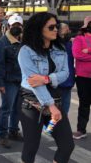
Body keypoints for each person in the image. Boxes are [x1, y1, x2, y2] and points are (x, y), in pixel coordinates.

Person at [18, 12, 74, 163]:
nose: (56, 29)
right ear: (39, 29)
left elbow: (65, 74)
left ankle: (48, 125)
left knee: (67, 145)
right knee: (31, 147)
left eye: (56, 26)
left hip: (55, 101)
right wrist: (51, 105)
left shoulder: (60, 48)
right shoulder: (26, 51)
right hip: (31, 104)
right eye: (51, 27)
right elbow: (33, 83)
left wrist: (46, 78)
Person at [0, 14, 24, 148]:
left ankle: (13, 131)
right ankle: (2, 135)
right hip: (8, 81)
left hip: (21, 81)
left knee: (17, 109)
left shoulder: (24, 42)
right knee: (6, 109)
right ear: (9, 26)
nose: (16, 27)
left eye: (19, 25)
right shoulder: (2, 42)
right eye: (14, 25)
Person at [72, 16, 91, 139]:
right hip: (83, 77)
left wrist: (88, 50)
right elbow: (77, 55)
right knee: (84, 104)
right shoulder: (79, 39)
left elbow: (83, 54)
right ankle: (81, 129)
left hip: (84, 75)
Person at [57, 23, 75, 114]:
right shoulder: (54, 45)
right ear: (59, 31)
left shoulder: (70, 44)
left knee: (64, 111)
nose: (69, 32)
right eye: (66, 30)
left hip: (68, 83)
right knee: (55, 111)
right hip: (57, 83)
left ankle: (62, 127)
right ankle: (51, 128)